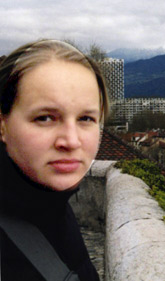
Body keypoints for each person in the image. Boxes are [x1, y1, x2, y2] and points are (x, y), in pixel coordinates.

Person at [0, 39, 109, 281]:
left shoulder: (52, 205)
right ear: (3, 124)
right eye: (45, 118)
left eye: (86, 119)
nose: (71, 141)